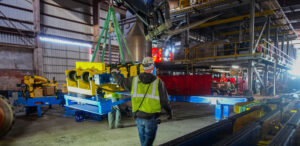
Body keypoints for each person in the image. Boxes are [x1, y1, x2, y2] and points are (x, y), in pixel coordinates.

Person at [111, 57, 172, 146]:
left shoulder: (134, 80)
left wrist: (114, 73)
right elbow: (165, 100)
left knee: (143, 141)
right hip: (151, 118)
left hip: (138, 117)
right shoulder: (158, 82)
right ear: (152, 67)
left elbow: (121, 81)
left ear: (143, 67)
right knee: (147, 143)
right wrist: (169, 113)